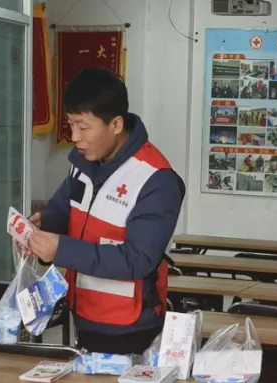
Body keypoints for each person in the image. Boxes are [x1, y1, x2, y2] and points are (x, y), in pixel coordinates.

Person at [25, 67, 183, 355]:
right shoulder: (83, 164)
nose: (75, 137)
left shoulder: (156, 179)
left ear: (116, 124)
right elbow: (63, 208)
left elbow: (138, 259)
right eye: (71, 124)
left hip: (131, 327)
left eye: (83, 127)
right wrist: (39, 227)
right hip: (84, 313)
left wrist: (60, 249)